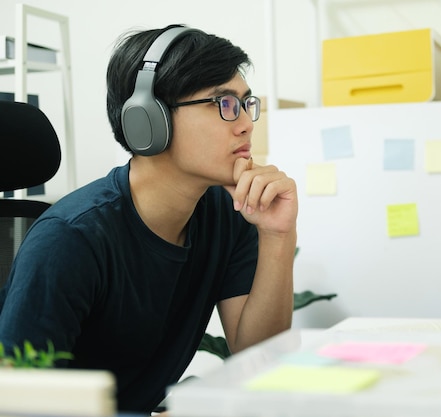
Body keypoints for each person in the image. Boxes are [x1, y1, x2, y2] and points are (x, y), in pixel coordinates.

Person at [0, 24, 298, 414]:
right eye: (224, 104)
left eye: (246, 103)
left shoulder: (229, 214)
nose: (245, 123)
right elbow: (19, 403)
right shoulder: (71, 240)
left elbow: (258, 357)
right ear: (148, 120)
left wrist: (278, 235)